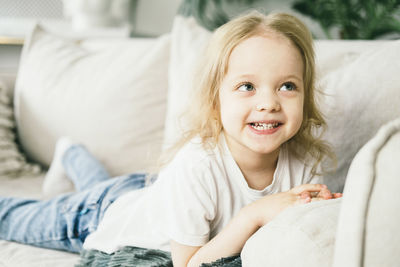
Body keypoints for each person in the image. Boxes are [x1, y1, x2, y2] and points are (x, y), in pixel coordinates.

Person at [0, 11, 342, 267]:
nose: (269, 102)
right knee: (17, 219)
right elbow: (189, 263)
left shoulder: (305, 164)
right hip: (105, 214)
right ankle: (72, 153)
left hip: (150, 195)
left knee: (103, 183)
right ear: (214, 101)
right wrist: (253, 215)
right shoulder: (198, 164)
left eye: (287, 86)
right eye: (247, 87)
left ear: (305, 97)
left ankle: (73, 153)